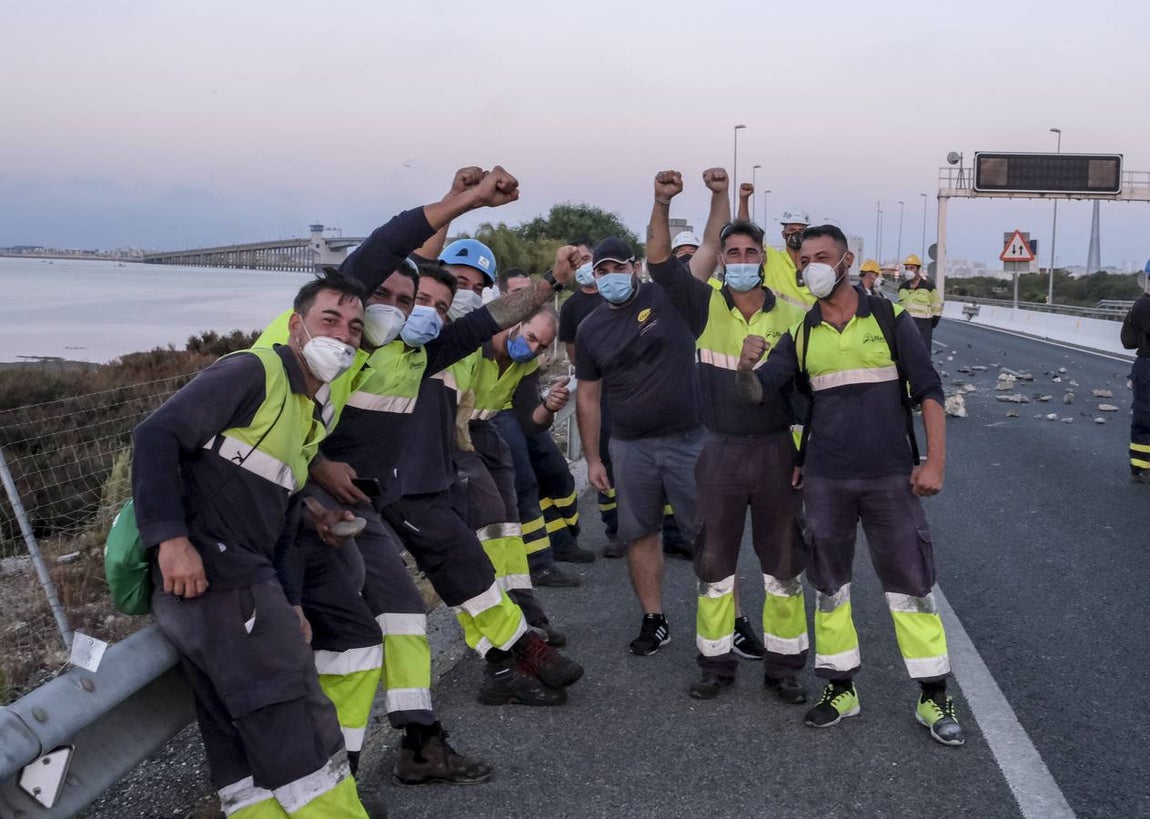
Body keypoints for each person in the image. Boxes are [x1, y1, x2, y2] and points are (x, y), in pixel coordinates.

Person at [132, 273, 371, 817]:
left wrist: (290, 600)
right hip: (217, 577)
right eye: (329, 319)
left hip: (241, 580)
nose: (344, 335)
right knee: (299, 722)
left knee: (238, 739)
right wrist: (170, 541)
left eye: (355, 327)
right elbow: (155, 435)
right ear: (295, 326)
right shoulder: (254, 369)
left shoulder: (307, 409)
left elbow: (285, 519)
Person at [735, 224, 964, 747]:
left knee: (911, 587)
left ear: (846, 261)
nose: (811, 265)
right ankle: (840, 687)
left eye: (823, 256)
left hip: (889, 477)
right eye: (805, 258)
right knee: (830, 586)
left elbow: (928, 387)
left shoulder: (888, 317)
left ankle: (933, 696)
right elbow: (759, 392)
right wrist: (746, 368)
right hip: (826, 480)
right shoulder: (801, 333)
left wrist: (935, 464)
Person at [646, 170, 809, 702]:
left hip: (775, 452)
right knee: (714, 564)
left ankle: (784, 669)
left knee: (783, 565)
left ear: (764, 259)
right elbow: (655, 261)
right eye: (730, 252)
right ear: (719, 259)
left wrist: (805, 456)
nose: (740, 260)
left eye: (748, 252)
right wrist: (663, 203)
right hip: (717, 449)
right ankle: (715, 665)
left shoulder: (793, 315)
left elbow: (812, 395)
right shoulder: (702, 304)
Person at [574, 232, 704, 656]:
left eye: (619, 267)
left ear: (635, 267)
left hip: (689, 438)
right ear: (593, 276)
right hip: (630, 447)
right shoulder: (590, 328)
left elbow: (708, 254)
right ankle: (654, 619)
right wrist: (593, 457)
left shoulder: (668, 295)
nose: (612, 276)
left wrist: (724, 199)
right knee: (640, 534)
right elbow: (588, 397)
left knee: (707, 535)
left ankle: (728, 622)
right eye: (602, 270)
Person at [493, 270, 594, 567]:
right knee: (524, 483)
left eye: (532, 295)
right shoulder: (483, 339)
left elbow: (531, 415)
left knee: (555, 473)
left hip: (522, 414)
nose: (529, 303)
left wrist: (549, 406)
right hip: (495, 417)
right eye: (520, 296)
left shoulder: (526, 356)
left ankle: (564, 540)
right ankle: (538, 562)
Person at [738, 188, 815, 310]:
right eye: (792, 230)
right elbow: (745, 236)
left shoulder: (816, 263)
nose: (796, 234)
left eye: (801, 230)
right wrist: (744, 200)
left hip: (808, 324)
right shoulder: (771, 257)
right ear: (783, 234)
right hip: (778, 324)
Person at [1120, 267, 1150, 483]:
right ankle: (1141, 466)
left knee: (1145, 417)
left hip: (1145, 366)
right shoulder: (1145, 305)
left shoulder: (1141, 304)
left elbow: (1128, 340)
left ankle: (1140, 466)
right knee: (1145, 418)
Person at [897, 254, 942, 349]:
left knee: (923, 358)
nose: (909, 271)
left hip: (923, 330)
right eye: (907, 268)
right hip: (905, 330)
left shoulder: (929, 288)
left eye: (912, 268)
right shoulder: (902, 288)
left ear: (918, 269)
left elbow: (937, 311)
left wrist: (927, 325)